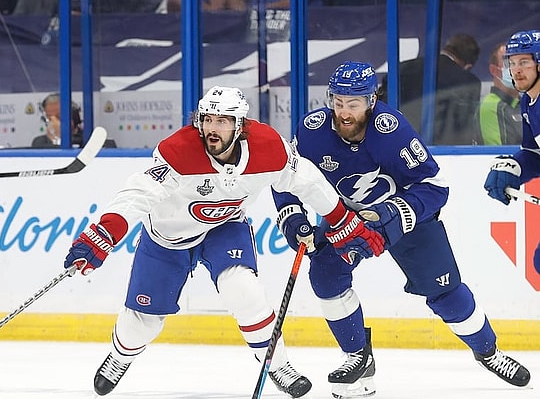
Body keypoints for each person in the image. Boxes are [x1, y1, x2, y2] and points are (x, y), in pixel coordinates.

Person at [63, 86, 385, 397]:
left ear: (240, 125)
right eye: (206, 119)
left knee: (243, 290)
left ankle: (279, 366)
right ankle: (120, 357)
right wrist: (104, 234)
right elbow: (138, 193)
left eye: (222, 120)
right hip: (169, 235)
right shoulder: (179, 151)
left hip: (225, 226)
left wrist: (343, 219)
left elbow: (308, 181)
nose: (211, 128)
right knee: (142, 324)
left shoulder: (268, 147)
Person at [272, 61, 530, 398]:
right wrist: (291, 215)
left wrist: (392, 215)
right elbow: (285, 175)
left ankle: (488, 352)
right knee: (325, 276)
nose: (344, 113)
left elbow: (435, 186)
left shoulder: (392, 131)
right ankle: (358, 359)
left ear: (372, 99)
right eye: (338, 103)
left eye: (354, 104)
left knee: (446, 294)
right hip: (346, 219)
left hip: (408, 218)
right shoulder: (312, 130)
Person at [484, 29, 540, 276]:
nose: (516, 69)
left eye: (525, 62)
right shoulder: (529, 101)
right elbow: (533, 152)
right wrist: (514, 168)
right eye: (513, 63)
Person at [384, 33, 482, 145]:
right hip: (442, 152)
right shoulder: (468, 81)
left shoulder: (401, 69)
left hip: (397, 144)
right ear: (468, 66)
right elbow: (464, 126)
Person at [475, 42, 521, 145]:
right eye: (508, 63)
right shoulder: (491, 106)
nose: (517, 69)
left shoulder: (527, 103)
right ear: (494, 70)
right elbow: (502, 157)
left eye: (520, 62)